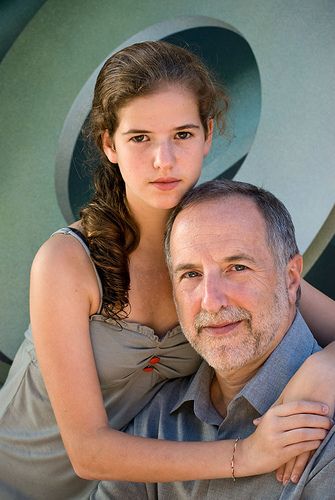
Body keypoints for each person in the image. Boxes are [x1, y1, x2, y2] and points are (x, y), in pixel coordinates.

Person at [0, 41, 334, 500]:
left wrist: (323, 368)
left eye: (182, 134)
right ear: (109, 144)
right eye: (140, 138)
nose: (164, 160)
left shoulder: (220, 246)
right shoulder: (67, 262)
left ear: (207, 133)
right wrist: (247, 454)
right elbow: (88, 451)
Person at [93, 179, 335, 499]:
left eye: (237, 267)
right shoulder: (157, 419)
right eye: (191, 274)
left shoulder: (326, 433)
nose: (211, 300)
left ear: (291, 279)